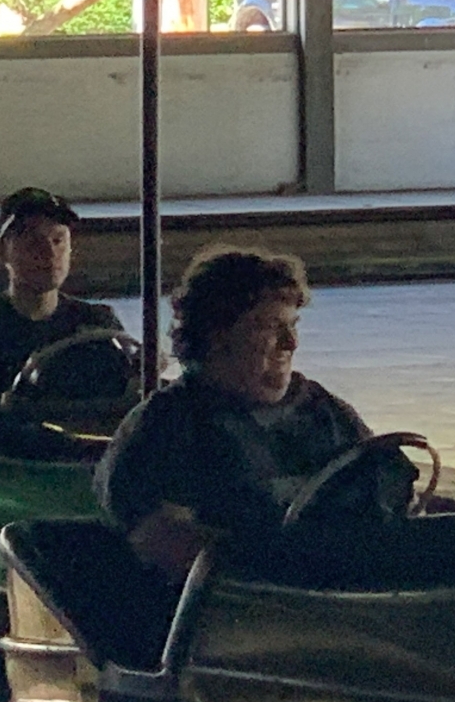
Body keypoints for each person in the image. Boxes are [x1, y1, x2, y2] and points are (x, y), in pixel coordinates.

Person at [94, 244, 411, 576]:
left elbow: (385, 500)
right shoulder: (167, 426)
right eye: (271, 327)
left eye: (293, 325)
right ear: (218, 335)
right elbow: (162, 541)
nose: (291, 343)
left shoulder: (326, 412)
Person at [0, 187, 124, 411]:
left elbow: (129, 402)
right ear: (1, 251)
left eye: (58, 241)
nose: (49, 253)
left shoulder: (99, 324)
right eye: (33, 243)